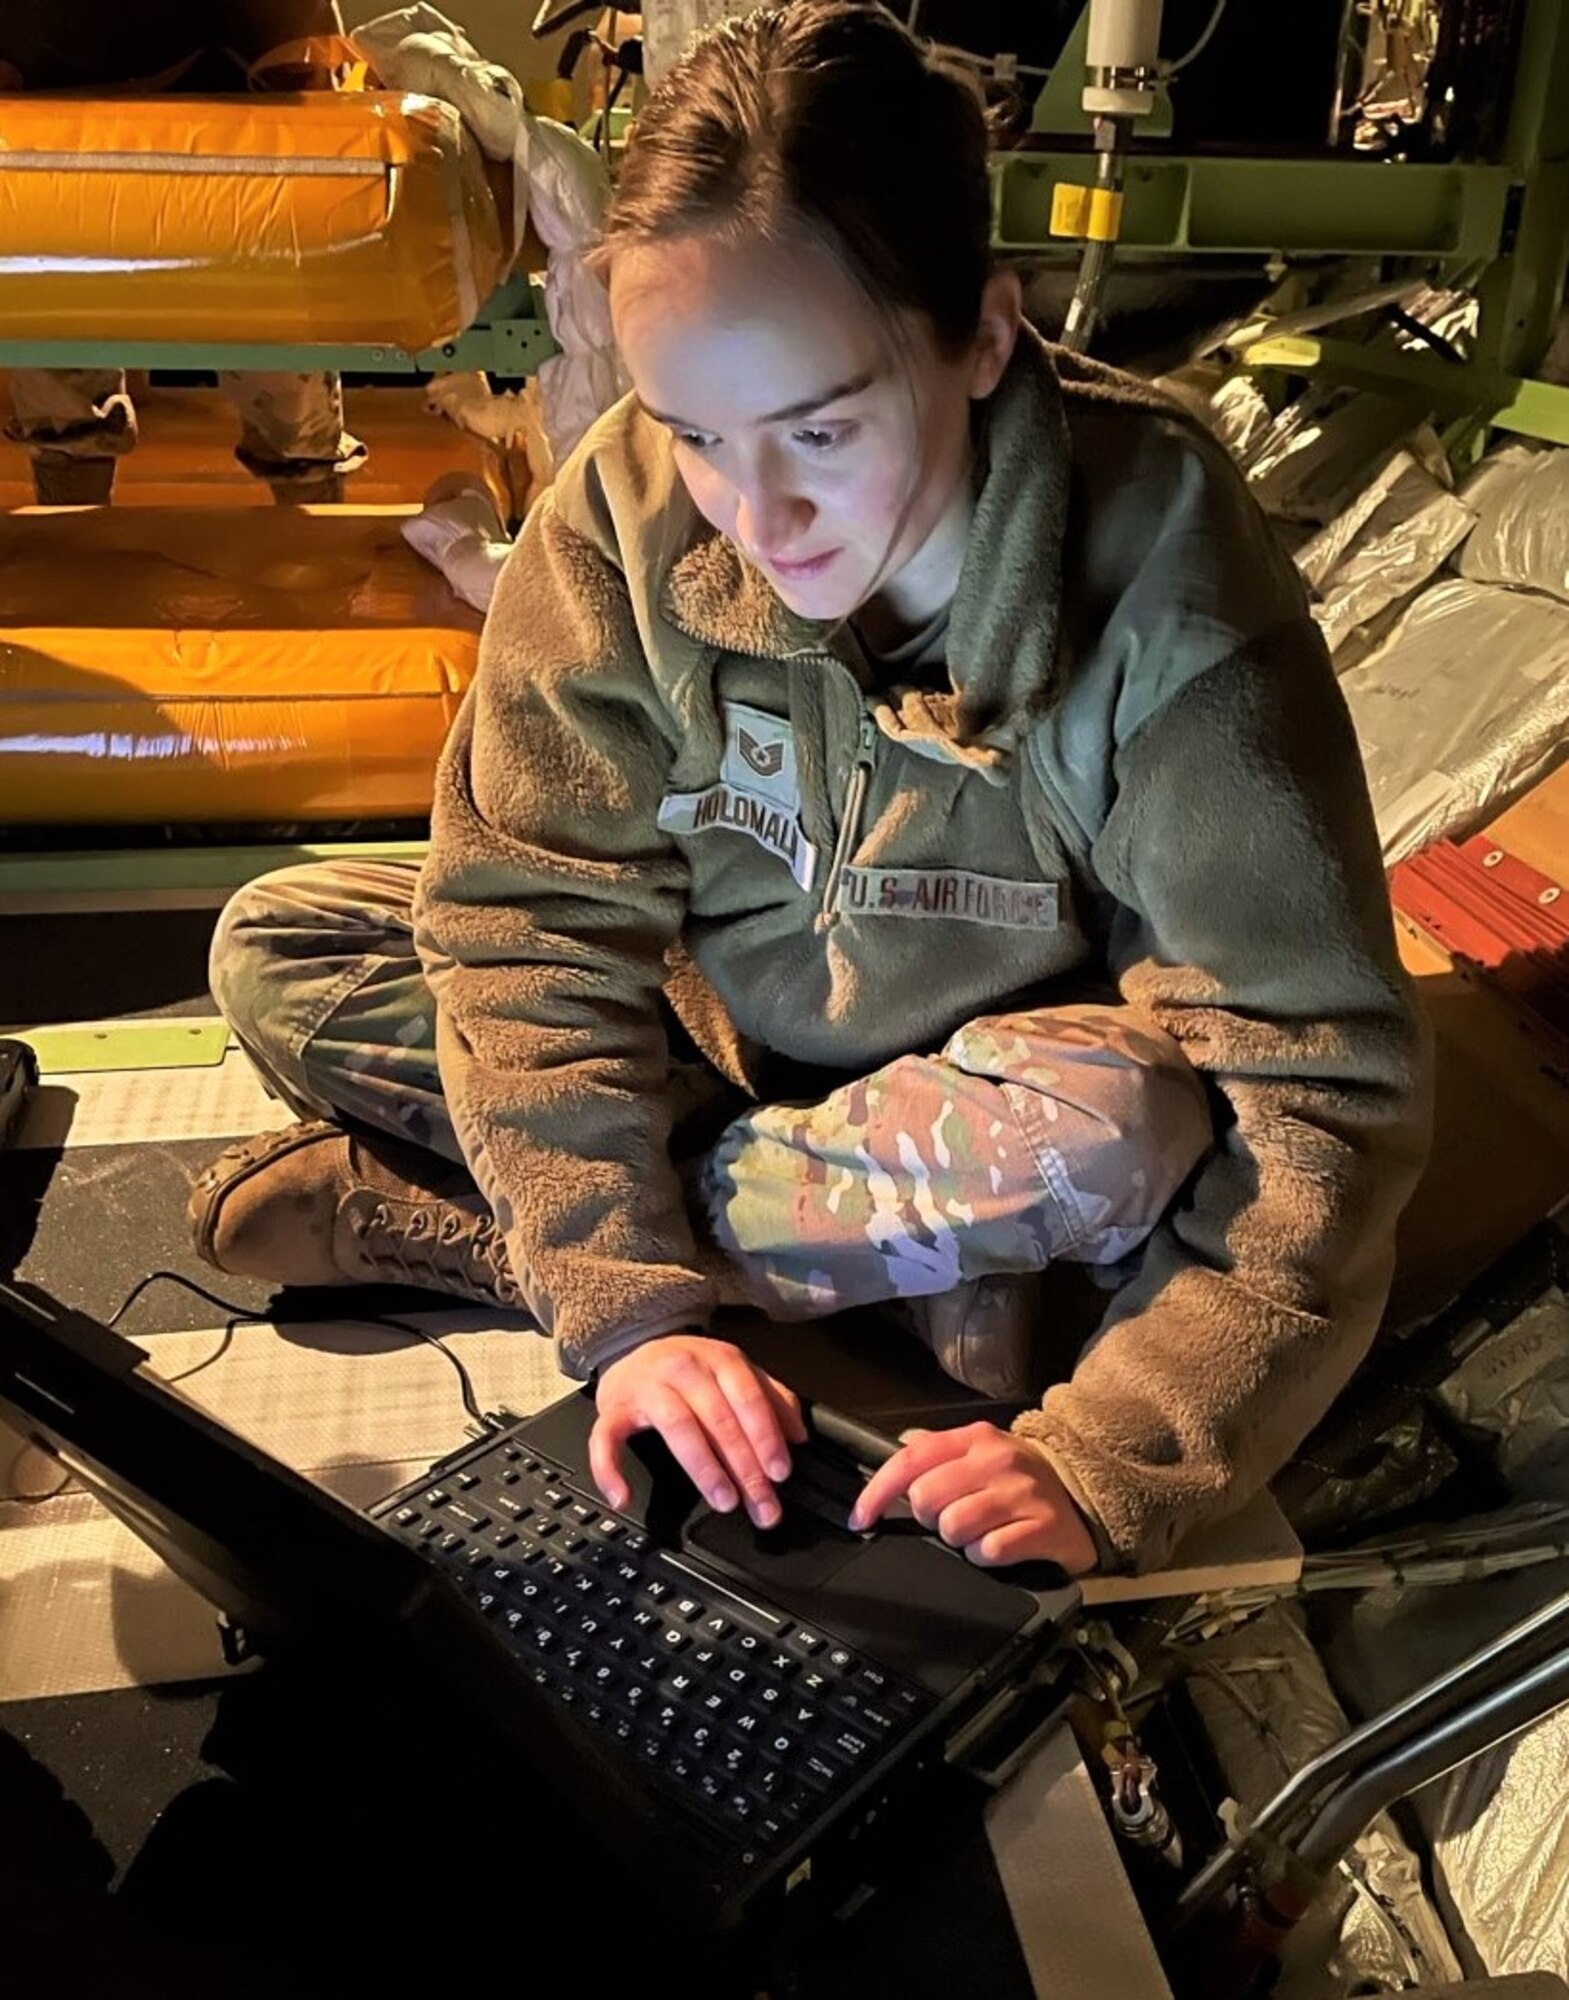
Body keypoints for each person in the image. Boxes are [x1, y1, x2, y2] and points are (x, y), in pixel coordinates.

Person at [187, 1, 1431, 1578]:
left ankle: (540, 1231)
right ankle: (844, 1271)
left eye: (821, 430)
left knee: (1116, 1135)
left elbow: (1320, 1083)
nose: (755, 511)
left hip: (989, 1091)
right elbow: (520, 926)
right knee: (279, 940)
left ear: (979, 337)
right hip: (718, 1049)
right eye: (697, 431)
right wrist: (624, 1306)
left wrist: (1123, 1452)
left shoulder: (1163, 569)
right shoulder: (624, 515)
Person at [0, 1, 366, 506]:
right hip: (62, 158)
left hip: (239, 160)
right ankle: (72, 515)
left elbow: (311, 76)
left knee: (285, 372)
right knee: (51, 318)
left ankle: (309, 496)